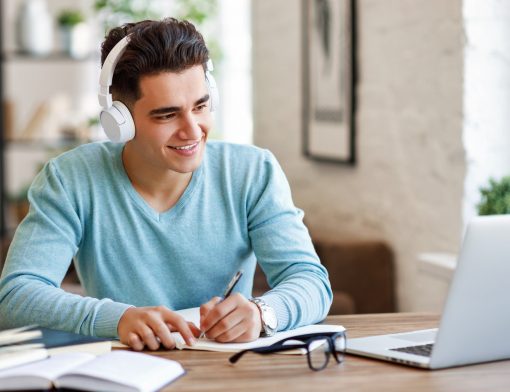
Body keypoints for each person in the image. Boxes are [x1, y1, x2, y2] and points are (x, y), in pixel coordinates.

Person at [0, 18, 332, 351]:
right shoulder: (70, 179)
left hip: (227, 372)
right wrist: (118, 318)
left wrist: (264, 313)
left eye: (201, 106)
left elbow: (311, 281)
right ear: (121, 122)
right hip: (123, 371)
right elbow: (16, 297)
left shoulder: (252, 171)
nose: (192, 130)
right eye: (167, 115)